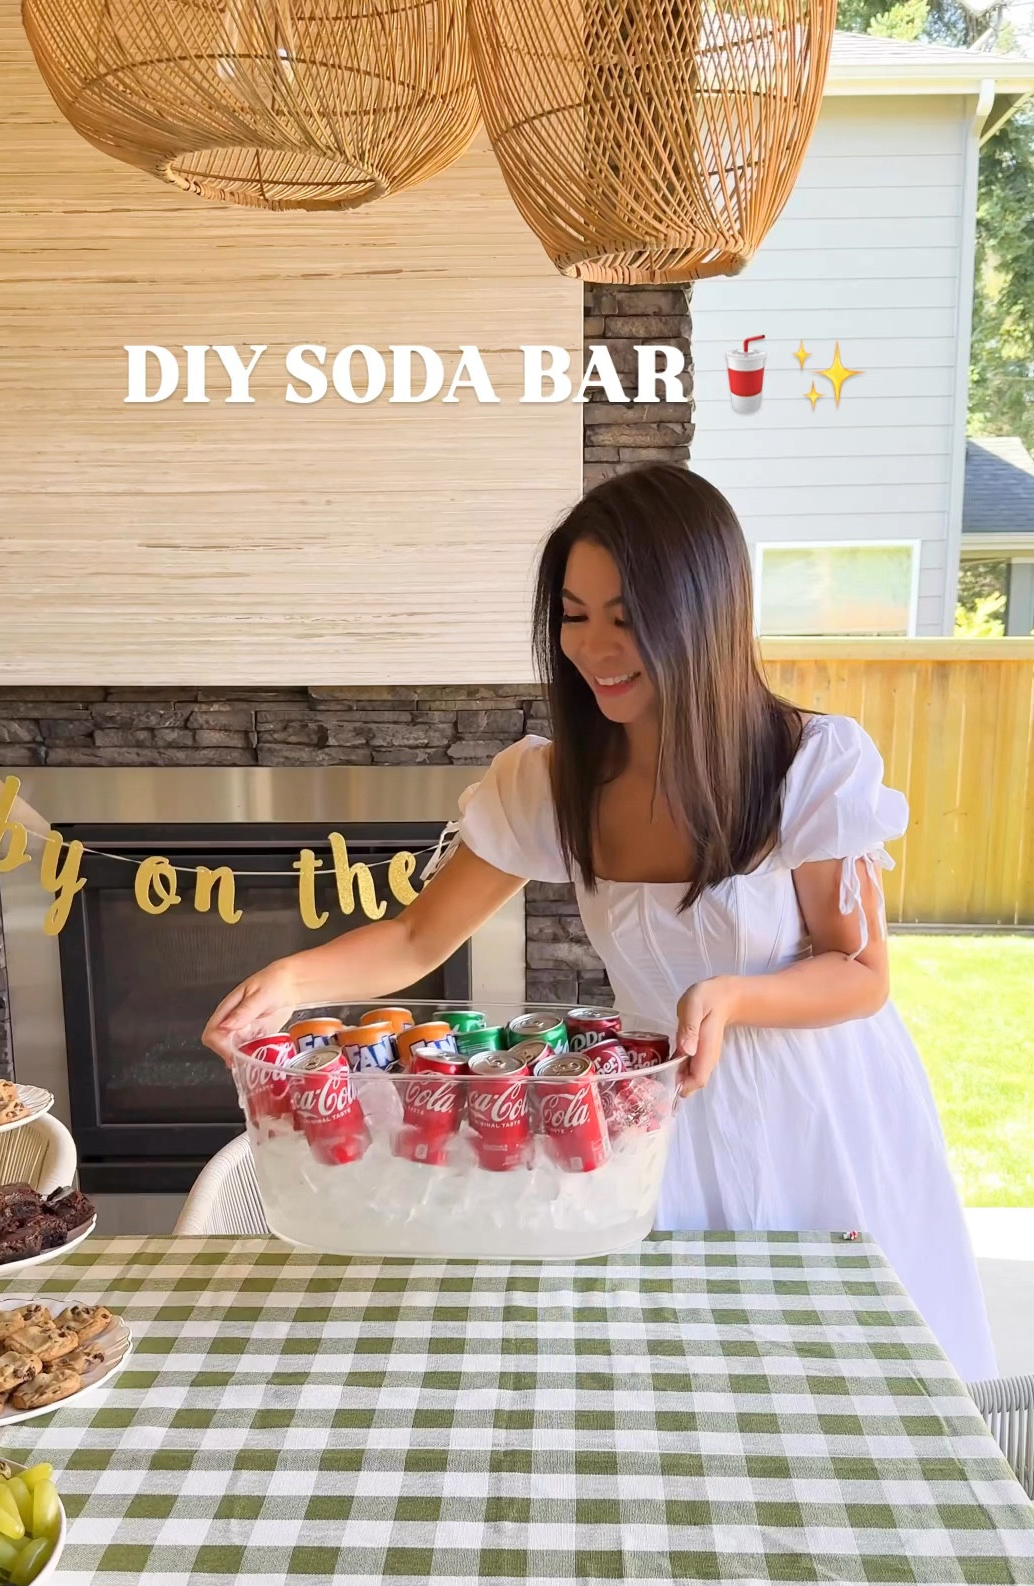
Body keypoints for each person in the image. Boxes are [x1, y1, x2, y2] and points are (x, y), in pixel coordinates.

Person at [203, 462, 997, 1381]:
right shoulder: (551, 782)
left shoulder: (808, 766)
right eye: (575, 616)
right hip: (651, 1117)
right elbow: (421, 939)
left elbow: (860, 974)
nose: (594, 647)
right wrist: (293, 981)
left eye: (626, 616)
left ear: (706, 612)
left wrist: (732, 996)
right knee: (674, 1375)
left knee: (835, 1380)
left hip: (817, 1111)